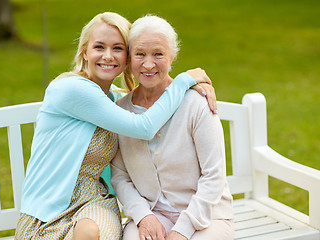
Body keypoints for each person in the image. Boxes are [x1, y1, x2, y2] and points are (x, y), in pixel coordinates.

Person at [14, 12, 214, 240]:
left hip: (93, 202)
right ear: (84, 52)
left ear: (127, 57)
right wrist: (185, 80)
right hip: (46, 210)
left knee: (90, 231)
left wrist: (193, 88)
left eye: (117, 48)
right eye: (99, 47)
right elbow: (145, 127)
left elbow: (151, 89)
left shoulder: (112, 99)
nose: (108, 56)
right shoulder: (71, 89)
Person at [111, 15, 234, 240]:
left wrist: (182, 230)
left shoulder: (197, 102)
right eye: (140, 54)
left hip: (207, 216)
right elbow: (120, 177)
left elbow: (213, 176)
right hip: (152, 214)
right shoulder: (121, 111)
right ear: (129, 58)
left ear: (172, 56)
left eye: (158, 54)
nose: (148, 64)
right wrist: (143, 216)